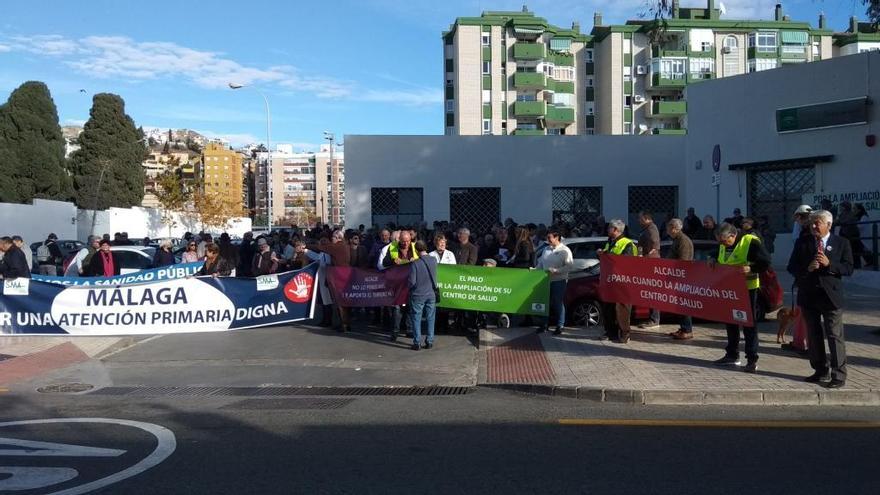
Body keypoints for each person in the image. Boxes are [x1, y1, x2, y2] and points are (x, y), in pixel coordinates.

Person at [787, 210, 853, 388]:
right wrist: (807, 268)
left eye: (818, 223)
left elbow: (848, 268)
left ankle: (838, 375)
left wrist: (829, 265)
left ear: (829, 225)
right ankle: (820, 370)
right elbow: (791, 267)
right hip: (809, 295)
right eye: (812, 223)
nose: (814, 226)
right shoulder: (803, 242)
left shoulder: (841, 243)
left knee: (834, 335)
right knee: (814, 335)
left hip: (831, 296)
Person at [711, 223, 770, 372]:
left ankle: (751, 359)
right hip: (729, 288)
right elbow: (717, 252)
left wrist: (751, 268)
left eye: (725, 241)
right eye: (720, 241)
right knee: (730, 321)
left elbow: (766, 262)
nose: (722, 244)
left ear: (733, 235)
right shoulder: (723, 243)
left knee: (748, 324)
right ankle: (732, 355)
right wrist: (712, 258)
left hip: (747, 289)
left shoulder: (750, 241)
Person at [597, 219, 637, 343]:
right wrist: (601, 254)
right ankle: (610, 332)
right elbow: (607, 258)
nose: (607, 229)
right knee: (608, 308)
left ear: (616, 230)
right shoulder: (610, 242)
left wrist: (607, 256)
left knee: (623, 309)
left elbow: (625, 262)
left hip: (623, 283)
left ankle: (625, 333)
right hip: (610, 281)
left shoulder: (627, 244)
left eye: (609, 228)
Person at [534, 227, 573, 335]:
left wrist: (557, 271)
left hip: (559, 280)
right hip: (545, 281)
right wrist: (534, 270)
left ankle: (560, 325)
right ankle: (544, 325)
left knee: (557, 302)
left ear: (557, 238)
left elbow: (569, 266)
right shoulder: (546, 249)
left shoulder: (565, 250)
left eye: (550, 237)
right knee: (545, 302)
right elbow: (541, 263)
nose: (548, 239)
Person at [383, 230, 418, 341]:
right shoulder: (393, 247)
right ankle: (395, 332)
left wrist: (415, 261)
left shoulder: (414, 247)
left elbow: (422, 259)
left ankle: (409, 330)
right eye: (404, 241)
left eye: (408, 241)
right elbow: (384, 263)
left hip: (410, 282)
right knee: (397, 308)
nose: (406, 244)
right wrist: (393, 261)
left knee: (410, 307)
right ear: (399, 240)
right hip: (397, 284)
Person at [665, 219, 695, 340]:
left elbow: (684, 261)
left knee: (684, 304)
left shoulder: (684, 241)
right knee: (679, 304)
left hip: (682, 277)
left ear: (674, 228)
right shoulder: (677, 240)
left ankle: (687, 329)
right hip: (676, 276)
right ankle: (683, 328)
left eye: (668, 228)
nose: (667, 231)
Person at [408, 240, 438, 351]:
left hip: (418, 294)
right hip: (431, 293)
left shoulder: (415, 263)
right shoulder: (434, 260)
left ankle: (417, 342)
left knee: (416, 318)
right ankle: (429, 341)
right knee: (430, 317)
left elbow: (412, 282)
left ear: (416, 250)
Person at [637, 210, 662, 329]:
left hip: (651, 265)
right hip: (648, 263)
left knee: (653, 292)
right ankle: (652, 318)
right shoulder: (646, 229)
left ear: (647, 218)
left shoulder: (652, 229)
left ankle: (654, 319)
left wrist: (645, 258)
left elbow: (654, 247)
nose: (639, 221)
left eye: (640, 218)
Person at [429, 234, 456, 332]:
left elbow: (454, 268)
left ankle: (445, 326)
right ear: (436, 243)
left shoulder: (450, 254)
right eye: (440, 243)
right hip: (435, 283)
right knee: (436, 305)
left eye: (443, 243)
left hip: (446, 282)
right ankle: (435, 326)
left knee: (445, 305)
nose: (442, 244)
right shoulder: (431, 254)